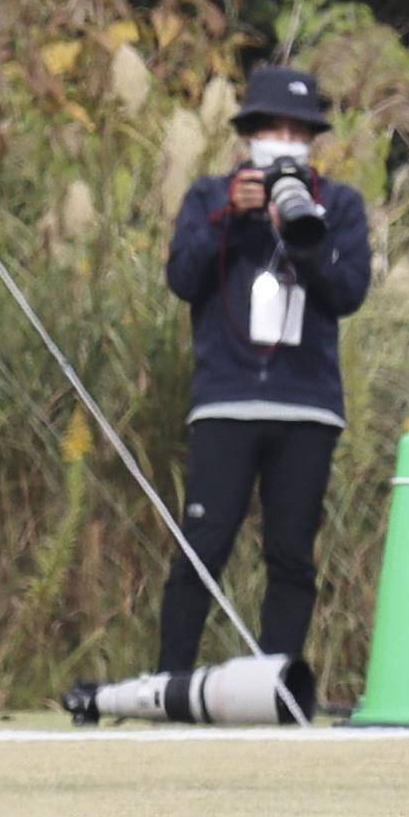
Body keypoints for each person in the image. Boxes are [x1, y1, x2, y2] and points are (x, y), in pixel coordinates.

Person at [148, 64, 373, 692]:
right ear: (248, 136)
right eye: (274, 130)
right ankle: (170, 683)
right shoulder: (209, 196)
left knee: (292, 554)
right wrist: (232, 216)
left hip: (308, 406)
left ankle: (276, 689)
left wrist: (301, 235)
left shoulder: (340, 204)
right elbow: (182, 279)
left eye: (299, 133)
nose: (286, 142)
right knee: (204, 545)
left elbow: (349, 291)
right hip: (226, 401)